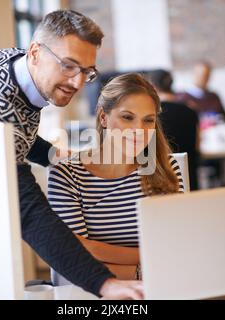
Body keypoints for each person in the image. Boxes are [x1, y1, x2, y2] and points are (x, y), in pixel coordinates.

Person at [0, 10, 143, 299]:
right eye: (69, 66)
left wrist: (54, 155)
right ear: (35, 52)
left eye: (87, 72)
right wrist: (104, 283)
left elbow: (16, 132)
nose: (79, 83)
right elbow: (29, 213)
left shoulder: (16, 62)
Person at [47, 73, 184, 281]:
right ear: (103, 117)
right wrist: (144, 269)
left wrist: (98, 251)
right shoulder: (68, 174)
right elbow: (74, 255)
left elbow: (174, 246)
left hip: (165, 287)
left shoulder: (165, 168)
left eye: (148, 120)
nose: (139, 130)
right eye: (127, 117)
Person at [147, 69, 200, 190]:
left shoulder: (150, 116)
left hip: (161, 183)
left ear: (152, 87)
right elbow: (197, 146)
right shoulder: (190, 111)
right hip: (190, 181)